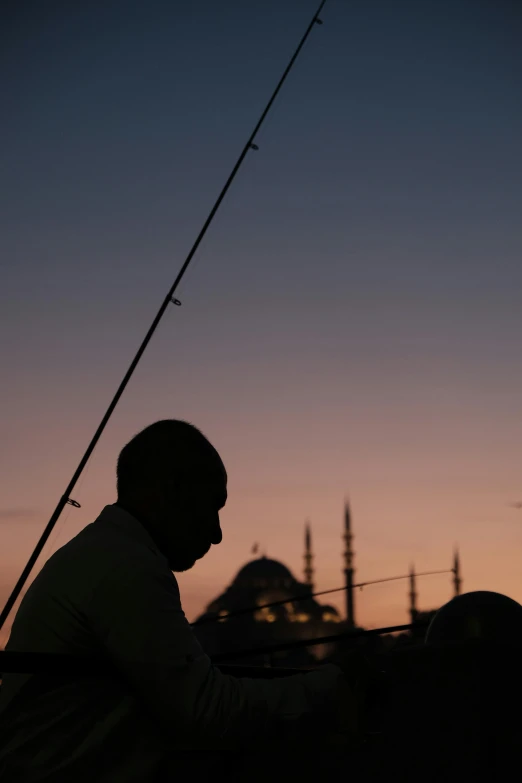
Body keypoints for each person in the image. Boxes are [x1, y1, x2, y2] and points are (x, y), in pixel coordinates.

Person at [0, 420, 354, 782]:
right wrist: (335, 684)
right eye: (212, 506)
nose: (217, 534)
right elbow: (207, 710)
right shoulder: (125, 565)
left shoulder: (99, 551)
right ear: (173, 491)